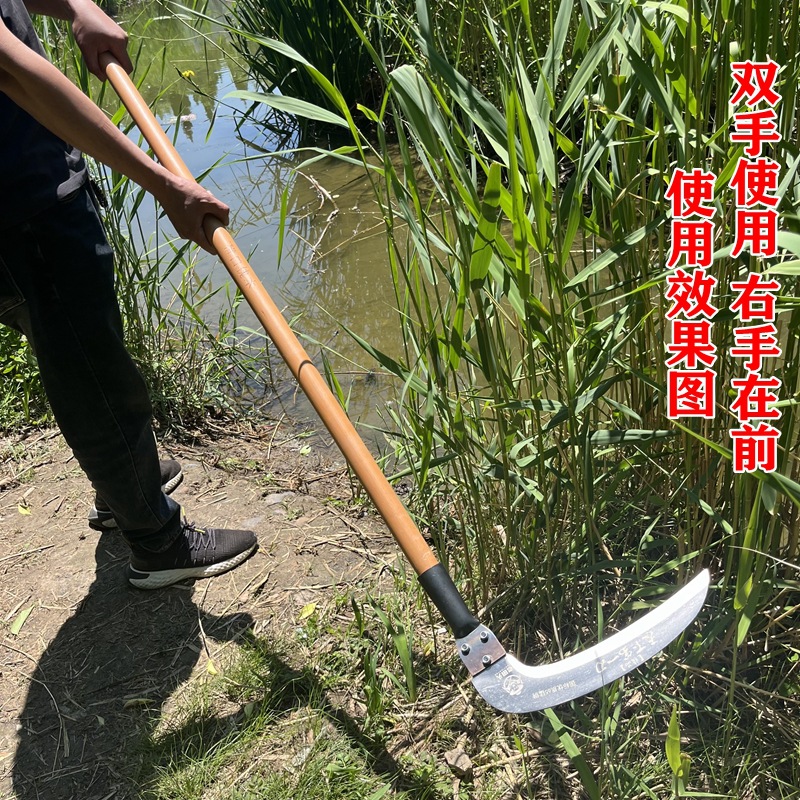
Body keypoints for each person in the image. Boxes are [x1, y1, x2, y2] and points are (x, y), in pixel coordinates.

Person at [0, 0, 258, 588]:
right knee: (92, 372)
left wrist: (74, 6)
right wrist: (166, 185)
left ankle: (124, 489)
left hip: (32, 181)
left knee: (76, 350)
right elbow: (11, 68)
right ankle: (157, 539)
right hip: (21, 205)